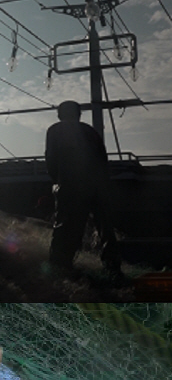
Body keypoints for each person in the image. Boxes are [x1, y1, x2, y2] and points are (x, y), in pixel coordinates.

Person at [45, 100, 123, 281]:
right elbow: (103, 159)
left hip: (72, 184)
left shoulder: (55, 130)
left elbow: (51, 158)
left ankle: (60, 267)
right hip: (97, 185)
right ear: (78, 114)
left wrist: (56, 182)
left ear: (60, 114)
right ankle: (113, 268)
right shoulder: (90, 131)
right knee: (105, 228)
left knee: (65, 226)